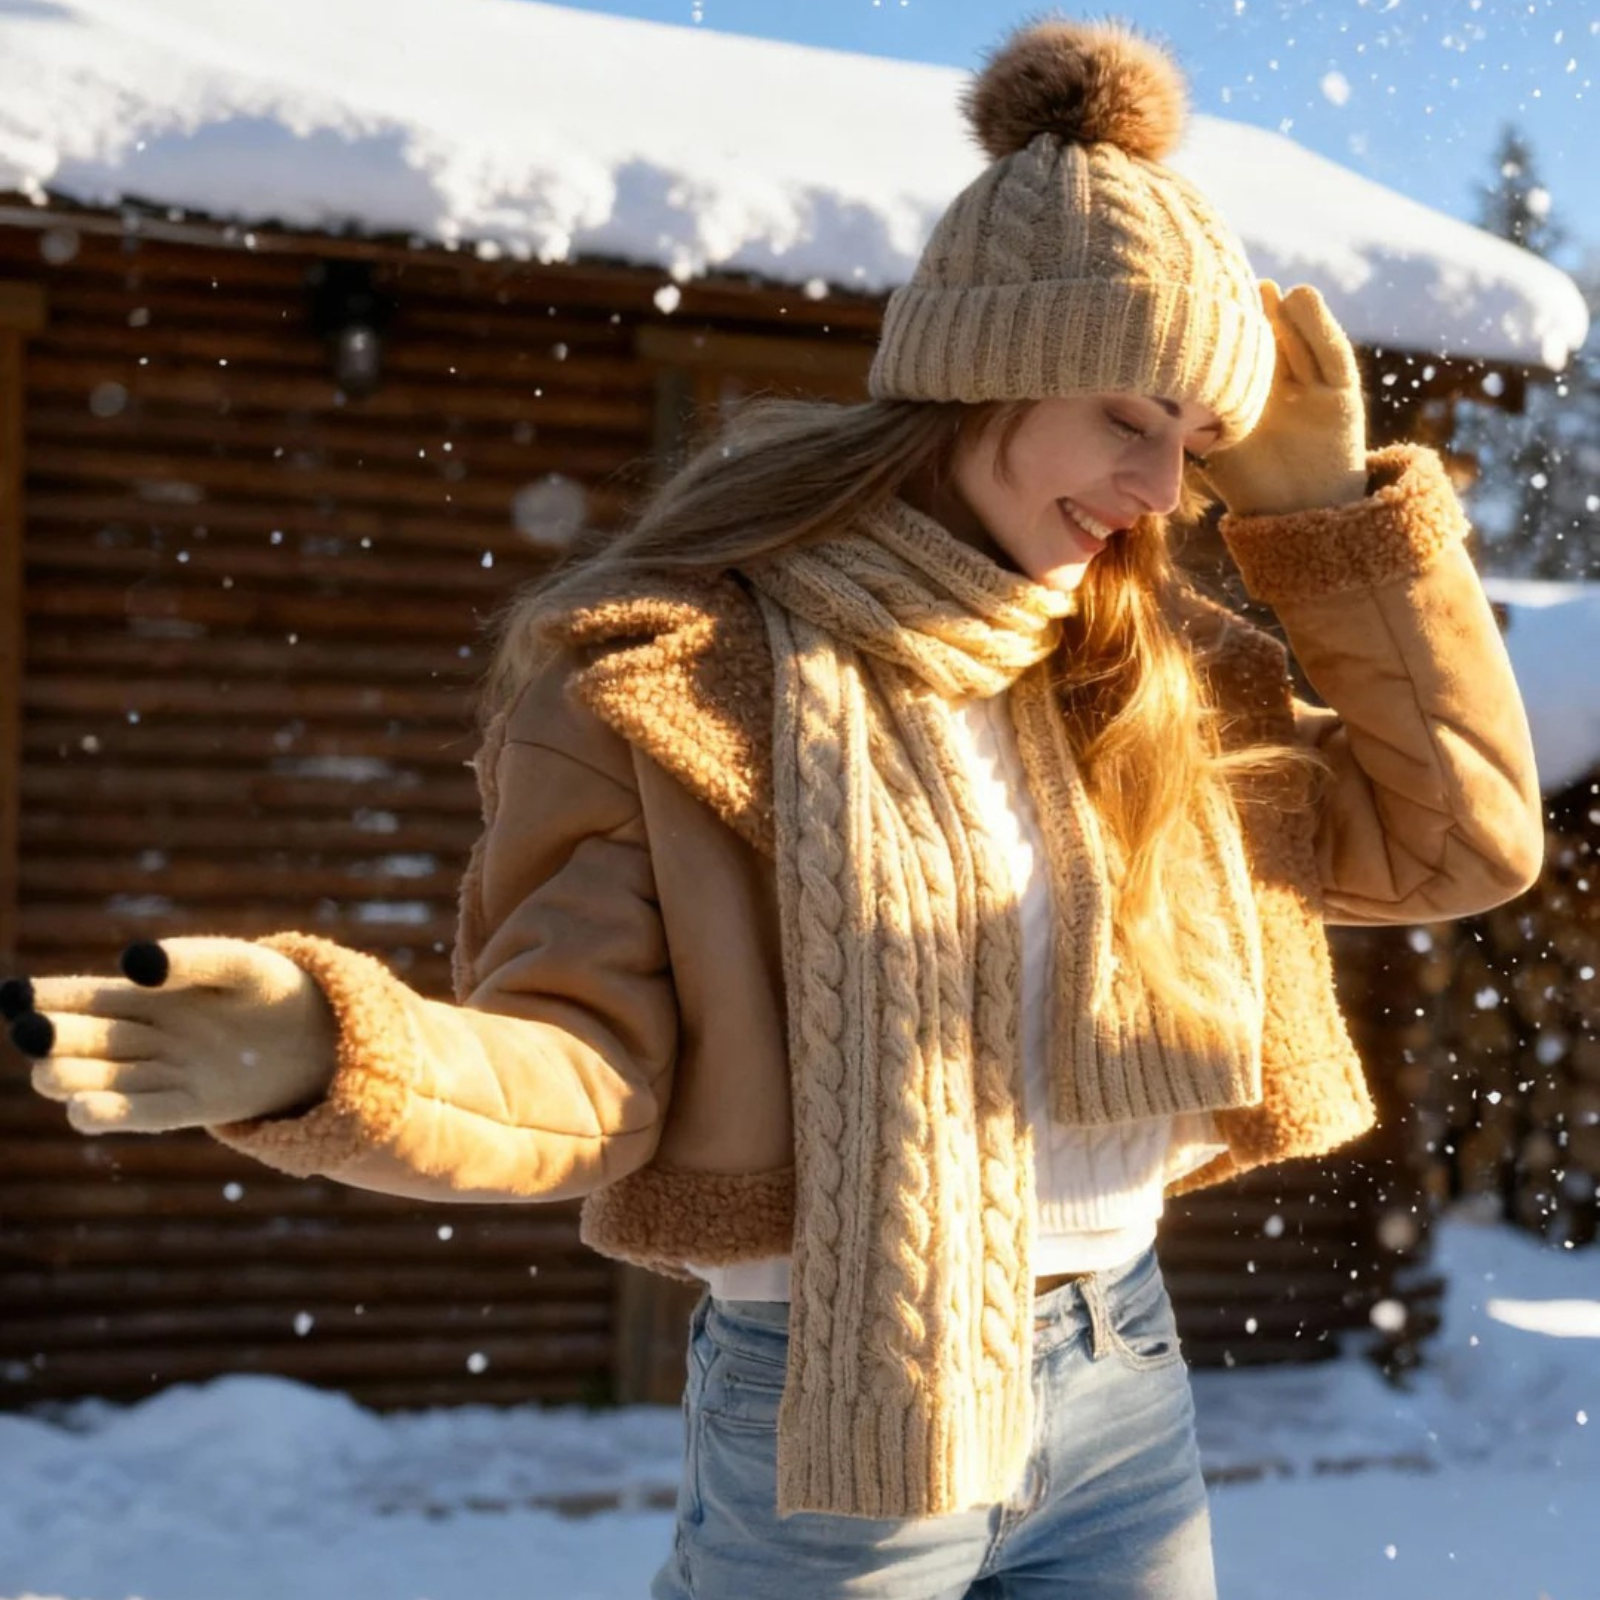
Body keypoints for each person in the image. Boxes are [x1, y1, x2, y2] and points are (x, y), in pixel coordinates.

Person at [5, 18, 1541, 1600]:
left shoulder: (1151, 683)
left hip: (1124, 1373)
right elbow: (591, 1071)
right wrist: (343, 1053)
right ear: (983, 375)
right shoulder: (671, 680)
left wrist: (1326, 523)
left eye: (1198, 445)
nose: (1162, 494)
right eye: (1126, 419)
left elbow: (1462, 838)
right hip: (831, 1416)